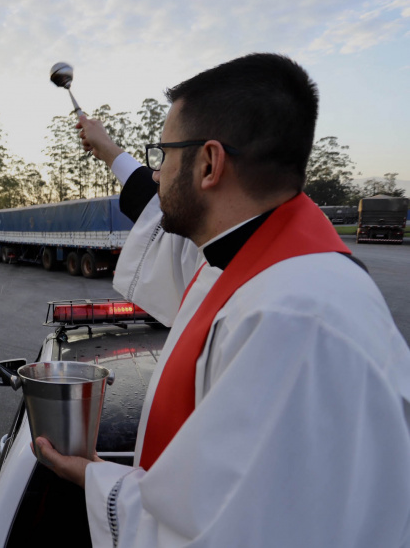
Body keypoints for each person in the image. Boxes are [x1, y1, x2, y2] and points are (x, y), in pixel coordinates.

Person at [34, 53, 410, 547]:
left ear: (210, 163)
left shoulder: (291, 321)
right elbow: (157, 206)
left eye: (164, 153)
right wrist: (111, 153)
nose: (159, 171)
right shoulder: (256, 264)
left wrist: (99, 484)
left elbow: (225, 534)